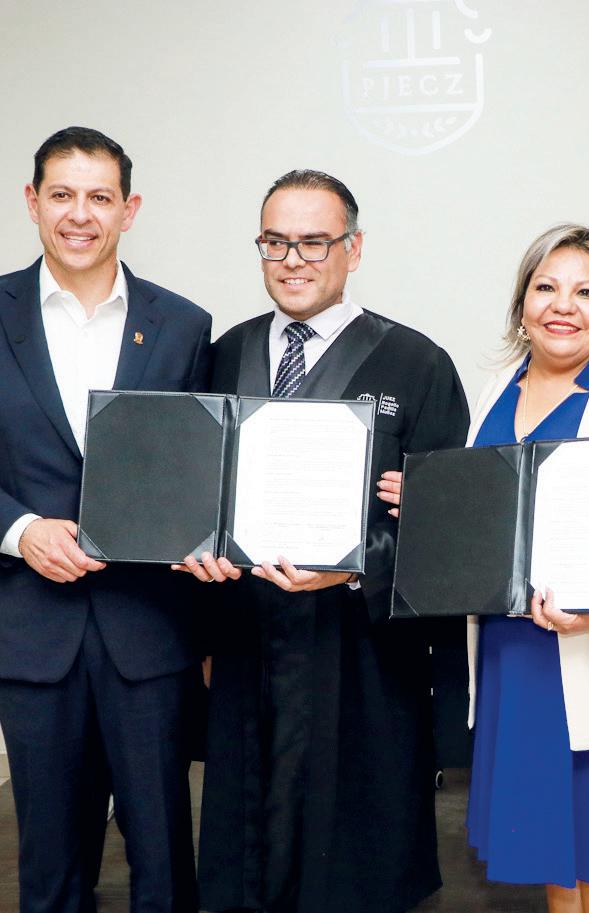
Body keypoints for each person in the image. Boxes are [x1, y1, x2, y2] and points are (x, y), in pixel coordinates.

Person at [0, 126, 210, 913]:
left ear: (129, 210)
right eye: (63, 194)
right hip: (31, 629)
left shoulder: (183, 325)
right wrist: (20, 530)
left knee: (163, 852)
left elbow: (198, 471)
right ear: (33, 201)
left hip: (149, 630)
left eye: (100, 197)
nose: (81, 214)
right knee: (50, 855)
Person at [381, 224, 589, 913]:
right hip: (516, 654)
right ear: (522, 303)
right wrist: (437, 503)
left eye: (586, 292)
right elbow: (498, 514)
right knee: (555, 857)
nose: (564, 305)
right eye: (546, 287)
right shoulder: (494, 389)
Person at [182, 169, 470, 913]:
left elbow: (447, 536)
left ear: (354, 248)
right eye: (275, 242)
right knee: (250, 853)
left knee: (355, 863)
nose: (293, 260)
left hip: (362, 653)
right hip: (248, 638)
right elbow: (195, 494)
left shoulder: (417, 364)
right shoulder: (224, 354)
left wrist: (351, 570)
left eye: (314, 242)